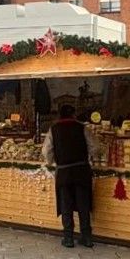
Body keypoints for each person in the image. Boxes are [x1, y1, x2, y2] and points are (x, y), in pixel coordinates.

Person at [42, 104, 95, 248]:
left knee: (66, 204)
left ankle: (68, 237)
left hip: (64, 172)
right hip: (82, 170)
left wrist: (50, 162)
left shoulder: (54, 129)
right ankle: (87, 237)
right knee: (83, 204)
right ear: (74, 114)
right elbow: (93, 147)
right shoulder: (82, 128)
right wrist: (91, 159)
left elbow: (47, 150)